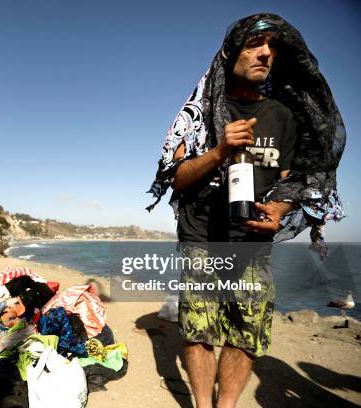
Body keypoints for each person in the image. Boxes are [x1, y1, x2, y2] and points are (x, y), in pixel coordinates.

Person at [146, 13, 346, 408]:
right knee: (199, 331)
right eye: (255, 45)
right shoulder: (199, 113)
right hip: (202, 236)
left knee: (246, 332)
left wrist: (280, 207)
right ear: (231, 52)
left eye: (273, 47)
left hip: (254, 241)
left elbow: (291, 178)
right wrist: (219, 150)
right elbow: (177, 178)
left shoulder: (283, 116)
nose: (266, 53)